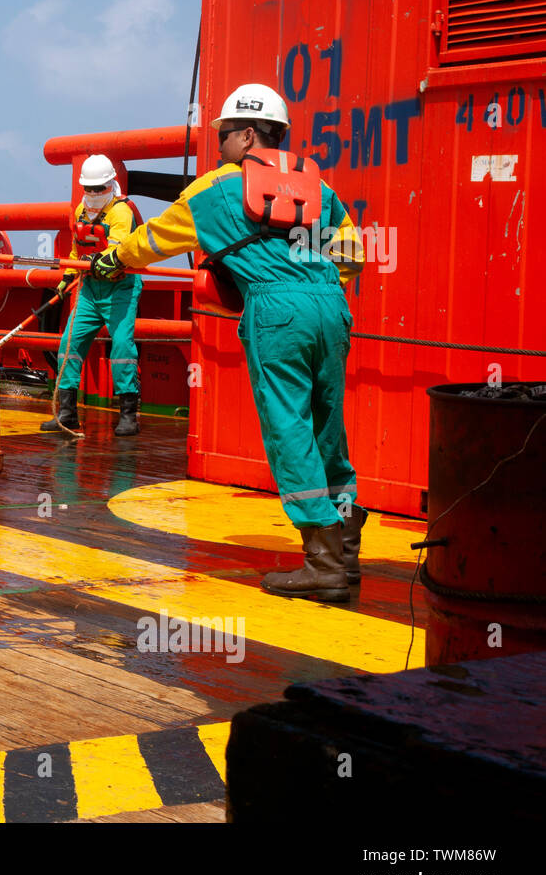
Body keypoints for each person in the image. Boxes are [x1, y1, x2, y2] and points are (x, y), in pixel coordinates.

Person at [93, 83, 367, 602]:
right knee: (329, 427)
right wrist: (316, 286)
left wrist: (111, 260)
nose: (219, 146)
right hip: (331, 305)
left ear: (245, 134)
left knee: (290, 428)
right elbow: (352, 256)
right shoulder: (320, 189)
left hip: (277, 311)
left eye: (223, 136)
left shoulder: (214, 191)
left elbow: (152, 240)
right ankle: (347, 551)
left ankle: (323, 561)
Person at [40, 154, 143, 437]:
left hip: (121, 287)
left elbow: (118, 249)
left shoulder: (121, 212)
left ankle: (128, 414)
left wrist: (101, 263)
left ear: (111, 185)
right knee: (68, 345)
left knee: (122, 347)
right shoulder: (79, 213)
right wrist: (66, 278)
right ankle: (67, 414)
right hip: (90, 289)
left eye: (100, 188)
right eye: (89, 189)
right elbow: (77, 252)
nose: (94, 194)